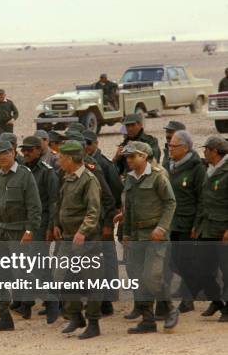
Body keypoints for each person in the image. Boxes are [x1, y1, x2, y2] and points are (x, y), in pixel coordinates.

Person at [120, 141, 179, 334]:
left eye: (133, 156)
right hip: (136, 236)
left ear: (144, 156)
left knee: (151, 276)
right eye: (127, 157)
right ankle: (147, 319)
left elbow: (170, 203)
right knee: (136, 276)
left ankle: (170, 309)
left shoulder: (158, 176)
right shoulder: (130, 179)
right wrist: (126, 233)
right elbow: (128, 209)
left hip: (154, 235)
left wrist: (162, 227)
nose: (129, 160)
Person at [0, 140, 42, 332]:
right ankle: (4, 317)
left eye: (5, 153)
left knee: (22, 273)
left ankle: (48, 299)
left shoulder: (25, 176)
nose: (1, 157)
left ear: (13, 153)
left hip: (18, 232)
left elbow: (34, 207)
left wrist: (29, 231)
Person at [53, 140, 103, 339]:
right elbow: (63, 205)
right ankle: (75, 316)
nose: (58, 161)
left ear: (71, 159)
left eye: (61, 158)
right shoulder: (68, 178)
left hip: (86, 239)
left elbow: (94, 211)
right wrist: (57, 223)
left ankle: (93, 322)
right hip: (67, 238)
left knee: (92, 281)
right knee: (61, 278)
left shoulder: (89, 180)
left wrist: (83, 231)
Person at [166, 131, 210, 315]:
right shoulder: (172, 166)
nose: (169, 149)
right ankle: (202, 288)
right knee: (174, 261)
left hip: (188, 222)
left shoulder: (196, 168)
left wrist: (197, 224)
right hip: (174, 222)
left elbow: (202, 198)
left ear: (184, 148)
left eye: (173, 146)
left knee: (187, 261)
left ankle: (188, 297)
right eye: (169, 146)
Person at [19, 135, 60, 323]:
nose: (25, 153)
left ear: (38, 150)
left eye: (29, 149)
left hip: (41, 223)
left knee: (40, 266)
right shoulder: (22, 170)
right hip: (24, 222)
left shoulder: (47, 172)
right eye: (23, 150)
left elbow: (53, 202)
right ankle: (25, 304)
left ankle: (52, 303)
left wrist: (51, 227)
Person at [83, 129, 123, 315]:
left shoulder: (103, 165)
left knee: (106, 260)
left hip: (103, 220)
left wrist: (109, 222)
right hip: (90, 222)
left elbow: (114, 193)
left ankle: (108, 299)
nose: (86, 147)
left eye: (88, 143)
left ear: (96, 144)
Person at [194, 136, 228, 322]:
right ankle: (216, 300)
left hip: (222, 229)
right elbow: (203, 201)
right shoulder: (208, 170)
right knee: (202, 268)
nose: (204, 152)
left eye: (206, 149)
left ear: (215, 151)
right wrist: (196, 225)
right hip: (207, 228)